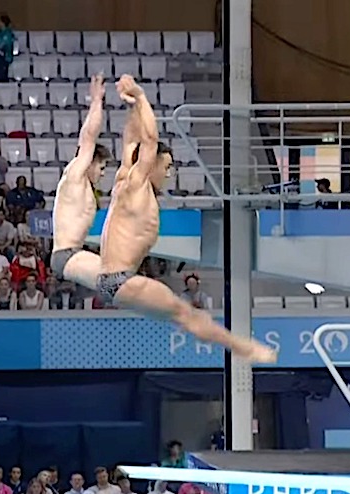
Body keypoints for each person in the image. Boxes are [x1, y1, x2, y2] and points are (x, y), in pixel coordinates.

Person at [95, 75, 276, 363]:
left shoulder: (125, 178)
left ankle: (243, 347)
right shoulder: (136, 185)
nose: (169, 174)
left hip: (111, 281)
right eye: (166, 167)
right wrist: (141, 97)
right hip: (121, 281)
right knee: (186, 313)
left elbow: (130, 140)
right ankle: (245, 348)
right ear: (151, 162)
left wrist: (131, 107)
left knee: (183, 315)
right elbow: (148, 140)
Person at [50, 76, 110, 292]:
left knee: (127, 284)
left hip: (76, 254)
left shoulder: (88, 189)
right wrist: (96, 101)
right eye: (101, 168)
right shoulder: (75, 174)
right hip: (66, 255)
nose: (102, 175)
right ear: (89, 162)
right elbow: (88, 138)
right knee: (117, 284)